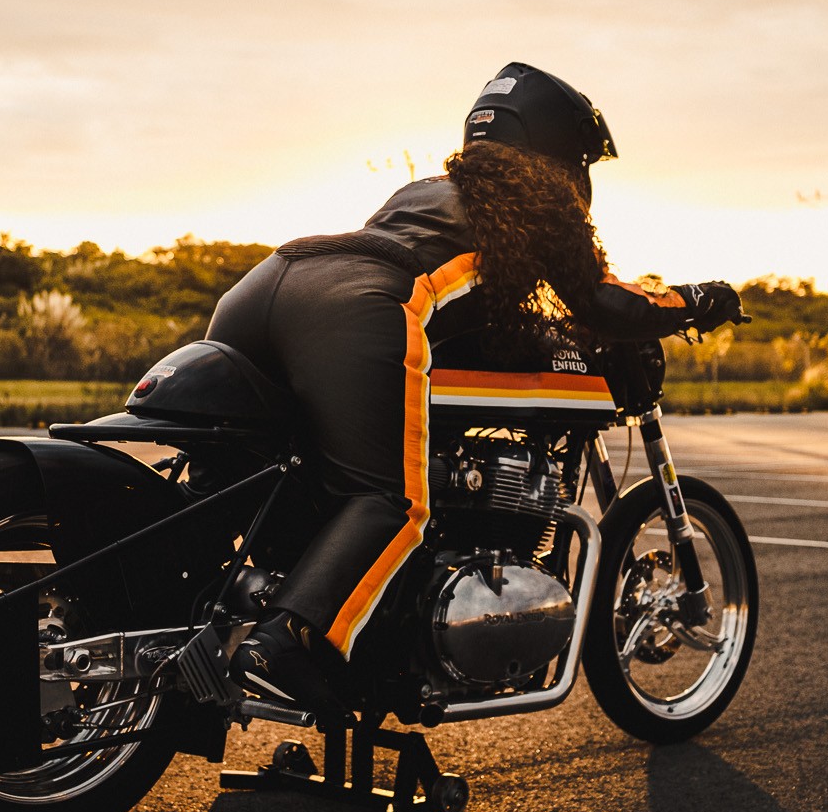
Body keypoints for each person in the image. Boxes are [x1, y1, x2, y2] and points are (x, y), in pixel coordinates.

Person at [206, 62, 743, 715]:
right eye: (582, 163)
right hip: (366, 307)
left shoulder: (425, 191)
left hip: (268, 285)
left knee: (273, 483)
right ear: (558, 154)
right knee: (396, 500)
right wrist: (700, 299)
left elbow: (458, 299)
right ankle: (284, 643)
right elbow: (608, 304)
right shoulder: (537, 205)